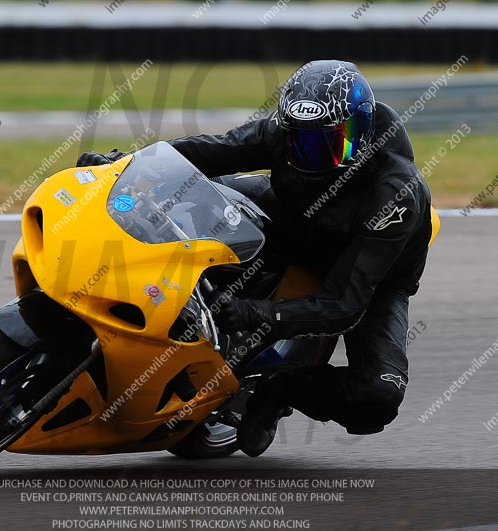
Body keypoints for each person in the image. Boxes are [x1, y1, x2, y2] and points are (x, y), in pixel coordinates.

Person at [76, 60, 434, 457]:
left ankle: (283, 386)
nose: (312, 156)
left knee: (377, 398)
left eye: (329, 144)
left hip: (366, 271)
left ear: (361, 133)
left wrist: (257, 314)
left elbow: (345, 304)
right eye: (301, 142)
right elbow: (209, 151)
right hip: (289, 216)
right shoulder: (280, 134)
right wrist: (125, 165)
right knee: (176, 199)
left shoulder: (396, 194)